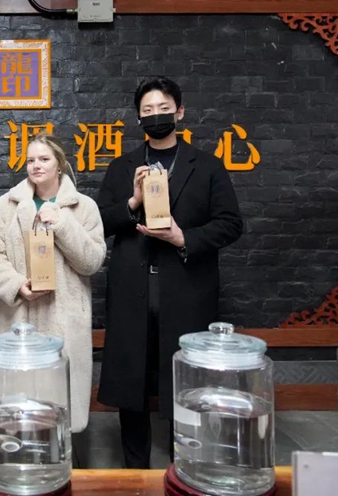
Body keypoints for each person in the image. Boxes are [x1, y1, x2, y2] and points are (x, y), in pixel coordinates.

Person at [96, 76, 243, 468]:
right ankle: (135, 469)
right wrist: (132, 202)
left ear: (179, 113)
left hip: (186, 290)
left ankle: (188, 465)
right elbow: (100, 222)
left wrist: (183, 238)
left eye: (163, 109)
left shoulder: (207, 166)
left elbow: (231, 224)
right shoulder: (122, 166)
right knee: (132, 383)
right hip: (133, 291)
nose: (156, 116)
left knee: (186, 382)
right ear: (138, 118)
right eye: (147, 110)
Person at [0, 133, 105, 435]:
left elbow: (91, 261)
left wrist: (61, 223)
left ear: (59, 165)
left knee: (58, 414)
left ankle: (60, 457)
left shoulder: (83, 207)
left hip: (64, 318)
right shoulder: (8, 205)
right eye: (31, 160)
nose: (36, 165)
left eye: (44, 159)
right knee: (17, 412)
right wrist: (16, 285)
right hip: (18, 318)